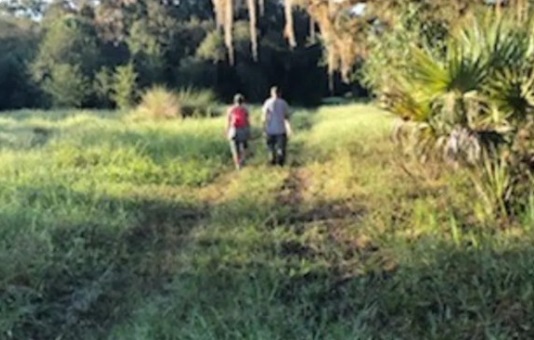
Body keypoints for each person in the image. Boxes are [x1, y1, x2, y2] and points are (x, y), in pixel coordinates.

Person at [262, 86, 292, 166]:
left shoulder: (267, 103)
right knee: (281, 147)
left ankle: (272, 159)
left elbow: (264, 116)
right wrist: (289, 128)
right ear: (280, 93)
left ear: (271, 93)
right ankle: (280, 161)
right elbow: (287, 117)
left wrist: (264, 127)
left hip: (270, 129)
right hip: (281, 129)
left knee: (271, 147)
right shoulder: (284, 103)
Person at [226, 93, 251, 170]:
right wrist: (248, 131)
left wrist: (227, 131)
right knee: (244, 147)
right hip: (243, 130)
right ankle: (242, 160)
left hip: (233, 130)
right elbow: (247, 121)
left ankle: (237, 164)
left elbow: (228, 121)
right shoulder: (245, 110)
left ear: (234, 101)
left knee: (235, 148)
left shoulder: (230, 109)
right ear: (242, 101)